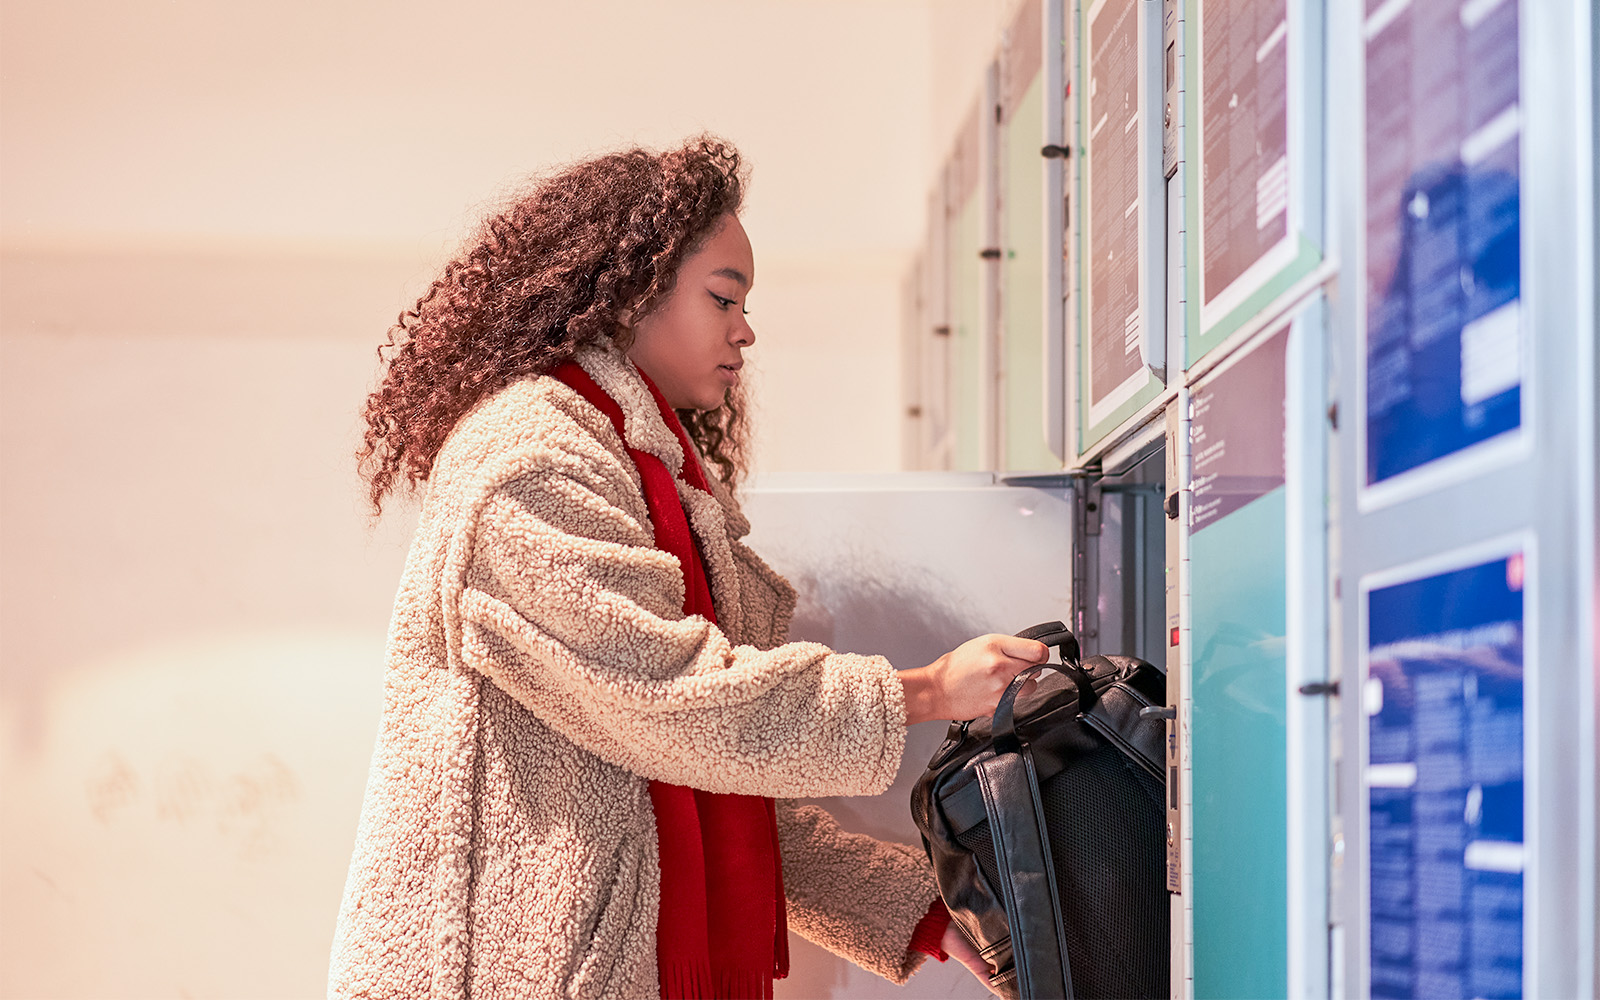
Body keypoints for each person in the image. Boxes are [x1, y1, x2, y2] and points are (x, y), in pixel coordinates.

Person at [330, 135, 1045, 999]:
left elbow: (715, 780)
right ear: (632, 293)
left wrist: (915, 911)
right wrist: (925, 691)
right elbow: (671, 701)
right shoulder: (529, 462)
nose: (745, 330)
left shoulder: (654, 478)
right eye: (722, 297)